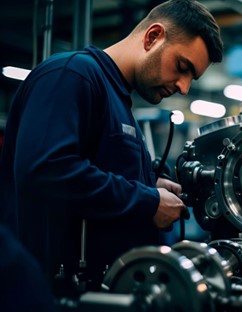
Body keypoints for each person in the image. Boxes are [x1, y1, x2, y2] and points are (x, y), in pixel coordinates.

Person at [0, 0, 223, 293]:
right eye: (182, 67)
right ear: (152, 36)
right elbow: (46, 170)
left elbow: (98, 170)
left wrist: (150, 184)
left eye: (191, 78)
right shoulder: (72, 74)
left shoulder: (118, 100)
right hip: (55, 293)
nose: (183, 87)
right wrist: (147, 201)